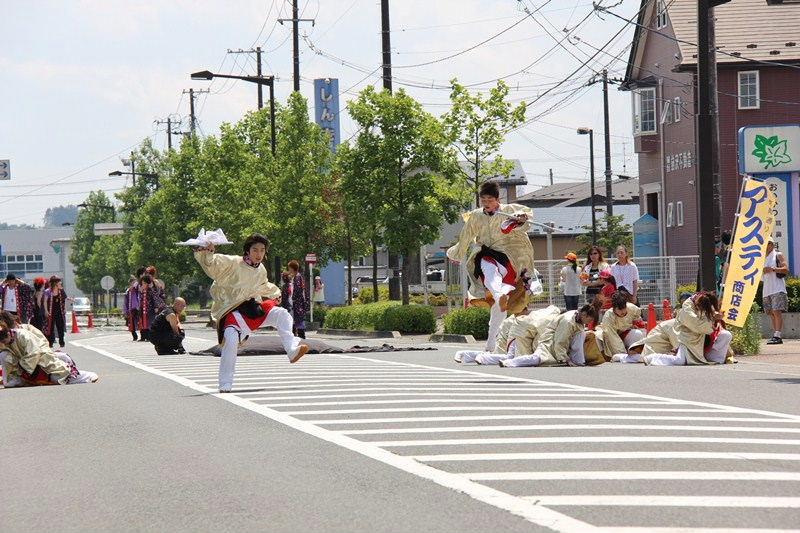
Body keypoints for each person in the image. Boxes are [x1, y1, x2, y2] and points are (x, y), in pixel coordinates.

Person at [194, 234, 308, 393]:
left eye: (262, 250)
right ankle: (225, 383)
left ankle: (291, 349)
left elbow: (262, 285)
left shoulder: (261, 269)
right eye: (255, 250)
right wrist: (208, 251)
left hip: (252, 309)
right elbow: (212, 264)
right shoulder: (233, 262)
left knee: (282, 314)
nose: (259, 254)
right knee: (231, 339)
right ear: (247, 251)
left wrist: (275, 292)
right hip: (232, 311)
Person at [447, 181, 535, 352]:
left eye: (489, 200)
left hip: (509, 257)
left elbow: (526, 224)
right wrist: (455, 252)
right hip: (486, 252)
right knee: (489, 269)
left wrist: (521, 220)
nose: (486, 203)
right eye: (483, 200)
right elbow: (465, 237)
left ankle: (491, 340)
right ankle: (497, 299)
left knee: (498, 302)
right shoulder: (476, 216)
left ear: (497, 199)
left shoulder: (509, 210)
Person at [0, 312, 98, 387]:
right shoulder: (5, 338)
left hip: (40, 358)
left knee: (58, 375)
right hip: (24, 364)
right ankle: (12, 379)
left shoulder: (24, 332)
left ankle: (85, 376)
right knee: (4, 355)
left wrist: (24, 366)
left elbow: (38, 348)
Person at [500, 301, 602, 368]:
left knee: (582, 334)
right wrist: (564, 358)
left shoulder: (578, 318)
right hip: (549, 342)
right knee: (537, 358)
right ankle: (509, 362)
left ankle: (579, 361)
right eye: (589, 320)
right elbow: (560, 341)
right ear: (584, 315)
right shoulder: (568, 321)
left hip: (558, 344)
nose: (588, 323)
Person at [643, 291, 732, 366]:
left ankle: (715, 359)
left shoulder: (706, 302)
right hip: (686, 338)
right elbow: (698, 325)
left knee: (726, 335)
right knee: (679, 360)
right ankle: (653, 358)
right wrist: (712, 318)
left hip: (701, 337)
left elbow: (709, 317)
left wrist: (716, 315)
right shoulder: (687, 308)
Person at [597, 291, 646, 361]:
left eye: (624, 308)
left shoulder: (633, 308)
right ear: (614, 308)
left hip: (625, 334)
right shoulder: (608, 317)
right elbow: (612, 337)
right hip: (609, 339)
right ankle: (623, 354)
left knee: (638, 333)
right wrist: (622, 352)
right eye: (619, 309)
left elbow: (639, 321)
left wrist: (635, 324)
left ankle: (634, 352)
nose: (622, 311)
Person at [763, 239, 789, 345]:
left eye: (768, 243)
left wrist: (773, 269)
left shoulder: (778, 254)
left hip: (777, 288)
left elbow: (786, 269)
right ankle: (775, 334)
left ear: (772, 244)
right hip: (766, 289)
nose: (766, 245)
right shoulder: (762, 258)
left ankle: (777, 335)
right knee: (771, 313)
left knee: (776, 311)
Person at [43, 276, 68, 348]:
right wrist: (46, 311)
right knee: (50, 327)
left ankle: (61, 341)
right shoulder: (47, 291)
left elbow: (64, 299)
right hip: (51, 311)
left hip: (59, 311)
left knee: (60, 326)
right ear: (55, 283)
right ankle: (50, 342)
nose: (60, 283)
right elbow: (45, 301)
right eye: (59, 282)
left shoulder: (61, 291)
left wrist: (64, 309)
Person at [288, 260, 308, 339]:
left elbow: (298, 290)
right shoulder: (297, 277)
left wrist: (293, 299)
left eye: (289, 268)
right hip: (297, 303)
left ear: (293, 268)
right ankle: (299, 337)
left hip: (298, 303)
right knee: (297, 320)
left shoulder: (297, 277)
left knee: (298, 320)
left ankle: (301, 337)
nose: (289, 270)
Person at [123, 275, 141, 341]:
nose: (133, 283)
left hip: (138, 308)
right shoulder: (128, 291)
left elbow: (137, 285)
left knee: (140, 323)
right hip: (131, 309)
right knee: (131, 324)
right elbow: (125, 302)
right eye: (132, 282)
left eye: (134, 282)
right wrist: (125, 311)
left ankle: (143, 336)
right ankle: (134, 336)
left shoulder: (137, 289)